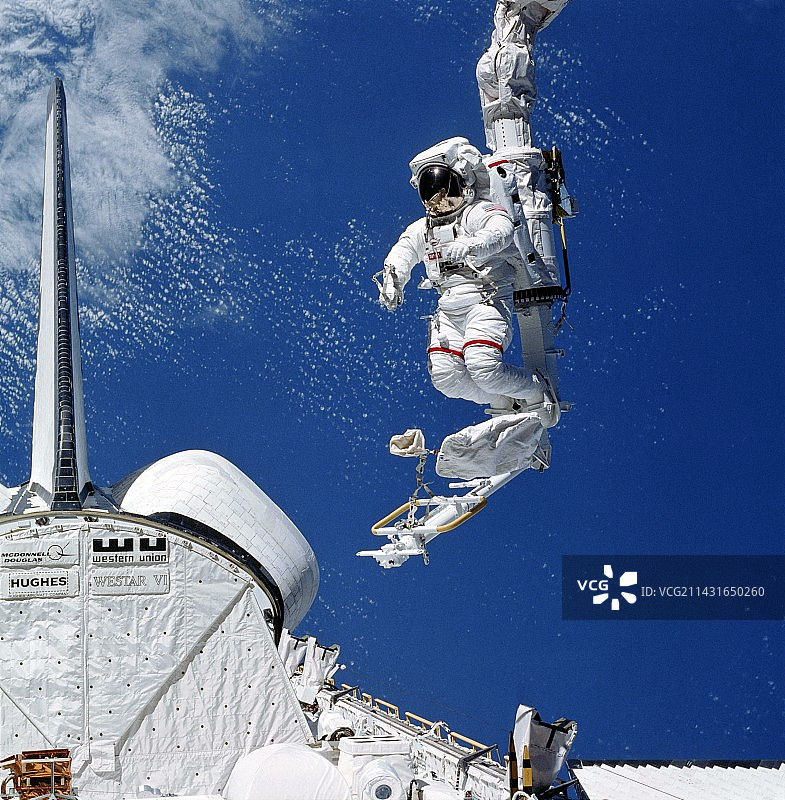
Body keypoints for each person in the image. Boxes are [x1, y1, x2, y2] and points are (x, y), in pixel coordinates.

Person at [377, 137, 558, 427]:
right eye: (430, 193)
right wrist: (393, 279)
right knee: (445, 378)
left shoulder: (475, 213)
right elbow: (404, 251)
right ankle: (500, 399)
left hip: (484, 299)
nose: (439, 201)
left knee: (483, 366)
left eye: (445, 191)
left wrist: (475, 245)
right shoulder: (423, 229)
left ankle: (537, 390)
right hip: (448, 311)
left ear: (463, 184)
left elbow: (501, 230)